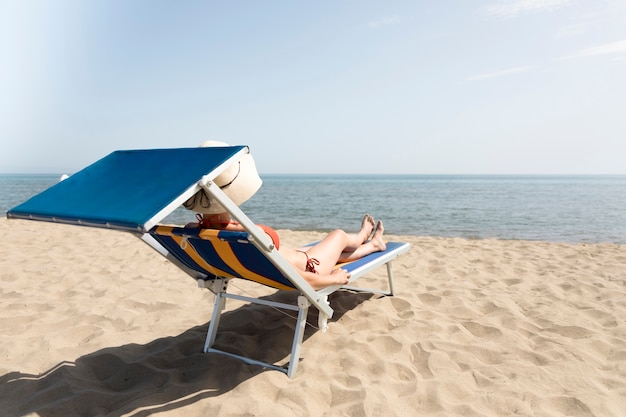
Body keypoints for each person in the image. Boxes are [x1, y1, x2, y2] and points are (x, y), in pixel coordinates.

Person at [187, 213, 387, 290]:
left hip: (297, 257)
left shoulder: (205, 236)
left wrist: (221, 224)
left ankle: (373, 245)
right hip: (311, 268)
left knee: (335, 252)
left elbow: (191, 226)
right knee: (339, 236)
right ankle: (362, 237)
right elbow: (306, 281)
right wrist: (335, 278)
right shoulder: (249, 238)